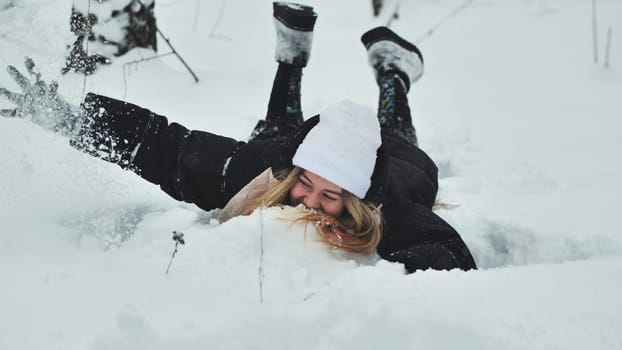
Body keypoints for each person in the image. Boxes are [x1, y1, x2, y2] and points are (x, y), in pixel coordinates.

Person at [0, 2, 477, 273]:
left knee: (393, 129)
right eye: (307, 184)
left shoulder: (394, 211)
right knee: (271, 136)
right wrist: (75, 120)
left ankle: (394, 72)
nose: (309, 200)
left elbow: (451, 258)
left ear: (357, 199)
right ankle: (290, 57)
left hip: (404, 160)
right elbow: (170, 149)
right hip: (291, 147)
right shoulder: (262, 173)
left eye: (331, 196)